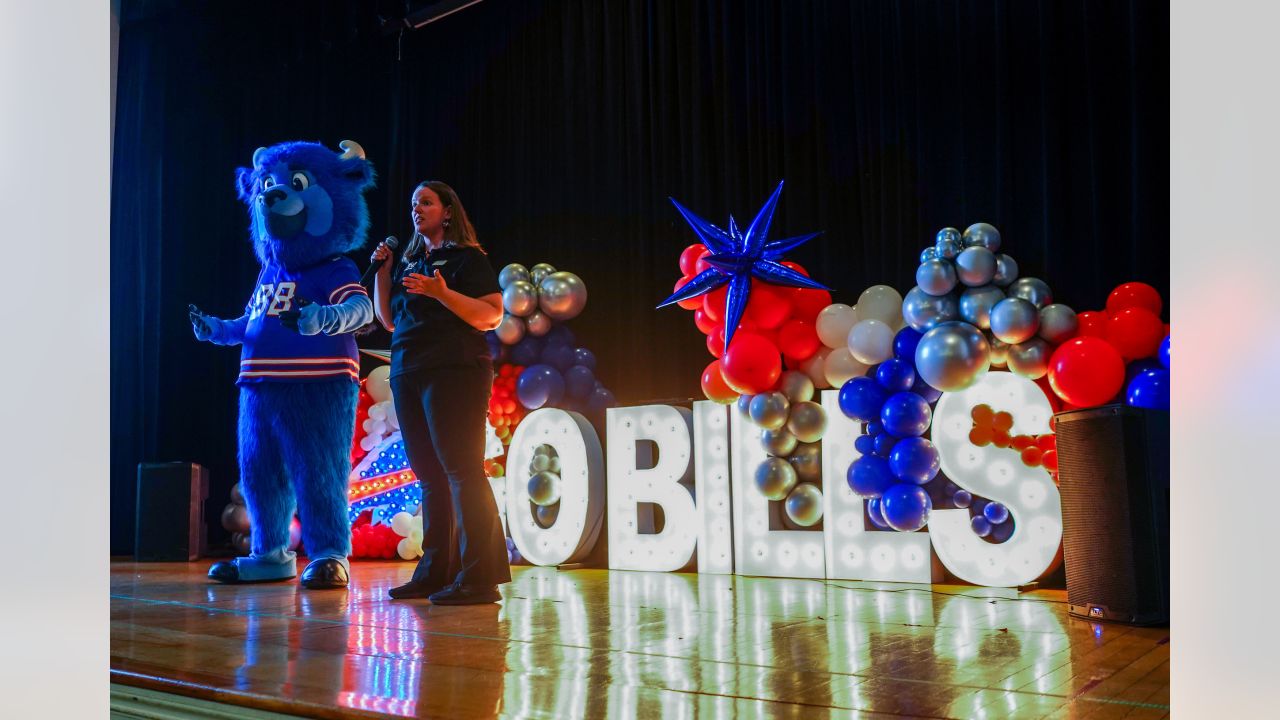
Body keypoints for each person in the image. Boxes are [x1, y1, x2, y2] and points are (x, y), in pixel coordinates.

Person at [370, 180, 510, 604]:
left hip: (454, 372)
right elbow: (390, 320)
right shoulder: (413, 260)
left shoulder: (467, 259)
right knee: (429, 475)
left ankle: (479, 578)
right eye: (413, 204)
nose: (417, 210)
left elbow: (491, 315)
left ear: (447, 211)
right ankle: (435, 572)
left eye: (426, 202)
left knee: (462, 470)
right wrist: (383, 271)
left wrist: (443, 293)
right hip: (409, 370)